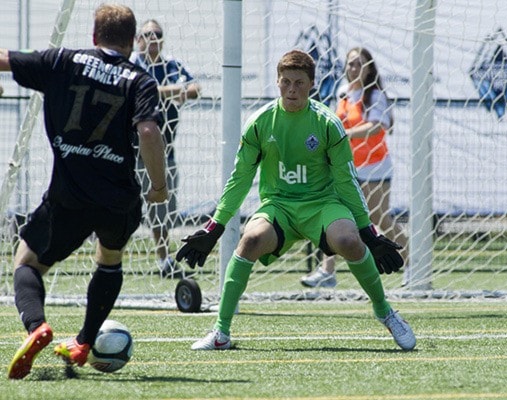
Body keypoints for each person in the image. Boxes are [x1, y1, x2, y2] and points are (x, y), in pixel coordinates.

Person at [176, 49, 416, 352]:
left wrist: (368, 231)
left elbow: (346, 181)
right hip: (279, 206)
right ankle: (221, 332)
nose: (292, 89)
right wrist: (215, 227)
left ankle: (385, 311)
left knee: (349, 240)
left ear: (312, 84)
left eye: (299, 83)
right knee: (249, 240)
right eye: (286, 82)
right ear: (277, 82)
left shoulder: (328, 124)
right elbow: (240, 179)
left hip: (322, 203)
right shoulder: (260, 123)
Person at [3, 3, 167, 380]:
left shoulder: (62, 60)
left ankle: (37, 327)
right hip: (118, 196)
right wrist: (158, 185)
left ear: (94, 36)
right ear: (132, 41)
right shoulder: (140, 79)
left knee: (27, 261)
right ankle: (84, 341)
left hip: (69, 194)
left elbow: (5, 59)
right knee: (109, 258)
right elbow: (147, 131)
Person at [300, 47, 409, 288]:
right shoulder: (342, 93)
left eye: (359, 64)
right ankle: (327, 272)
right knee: (334, 215)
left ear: (369, 68)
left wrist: (346, 133)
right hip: (346, 166)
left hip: (374, 166)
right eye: (350, 64)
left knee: (379, 216)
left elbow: (377, 126)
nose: (353, 69)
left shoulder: (375, 96)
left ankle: (412, 263)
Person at [130, 19, 200, 278]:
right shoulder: (132, 63)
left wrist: (158, 91)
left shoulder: (172, 64)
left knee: (162, 210)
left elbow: (194, 88)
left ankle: (163, 259)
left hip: (165, 150)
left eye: (157, 34)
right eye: (147, 34)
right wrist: (168, 92)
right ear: (138, 39)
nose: (152, 39)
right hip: (131, 151)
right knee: (121, 207)